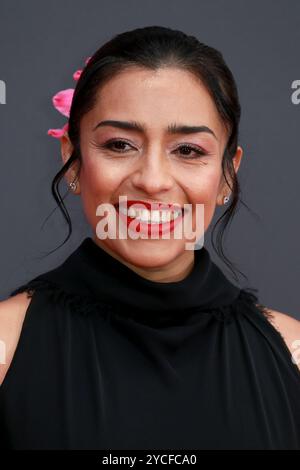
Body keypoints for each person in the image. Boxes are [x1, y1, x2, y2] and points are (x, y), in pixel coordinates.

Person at [0, 25, 299, 450]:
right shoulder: (6, 345)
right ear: (72, 162)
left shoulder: (291, 352)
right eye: (120, 145)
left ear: (227, 174)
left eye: (189, 150)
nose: (153, 180)